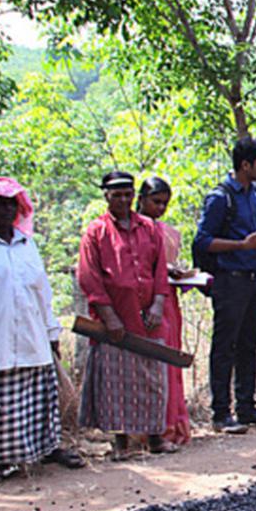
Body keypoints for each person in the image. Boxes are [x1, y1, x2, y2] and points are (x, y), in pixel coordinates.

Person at [0, 177, 82, 476]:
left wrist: (51, 332)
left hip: (32, 339)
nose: (7, 210)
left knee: (36, 403)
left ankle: (44, 451)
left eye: (12, 205)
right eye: (0, 205)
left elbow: (42, 293)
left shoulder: (27, 245)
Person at [77, 171, 172, 459]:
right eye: (116, 195)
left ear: (134, 196)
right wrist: (109, 316)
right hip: (116, 316)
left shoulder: (149, 228)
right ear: (106, 196)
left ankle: (155, 437)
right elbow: (89, 277)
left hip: (148, 316)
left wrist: (158, 304)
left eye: (127, 194)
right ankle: (121, 443)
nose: (122, 200)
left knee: (153, 378)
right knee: (116, 382)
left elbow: (160, 269)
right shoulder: (96, 231)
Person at [193, 136, 256, 433]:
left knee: (248, 345)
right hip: (229, 280)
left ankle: (246, 408)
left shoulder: (253, 194)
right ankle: (220, 412)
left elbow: (255, 233)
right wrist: (242, 246)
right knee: (225, 345)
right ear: (245, 165)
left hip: (253, 278)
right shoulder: (220, 198)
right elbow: (203, 241)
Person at [136, 177, 190, 447]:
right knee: (149, 365)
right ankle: (148, 430)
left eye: (164, 204)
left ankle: (172, 424)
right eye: (156, 202)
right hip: (144, 300)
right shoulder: (133, 231)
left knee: (170, 362)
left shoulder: (167, 232)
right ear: (141, 200)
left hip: (168, 300)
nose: (160, 208)